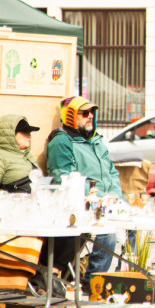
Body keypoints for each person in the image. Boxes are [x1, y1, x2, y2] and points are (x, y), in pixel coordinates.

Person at [46, 96, 119, 281]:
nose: (90, 117)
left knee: (135, 227)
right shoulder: (62, 142)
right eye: (84, 113)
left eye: (92, 113)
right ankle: (93, 281)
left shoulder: (97, 141)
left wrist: (116, 197)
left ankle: (126, 277)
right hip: (81, 205)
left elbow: (112, 172)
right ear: (70, 116)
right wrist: (97, 199)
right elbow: (65, 177)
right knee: (107, 231)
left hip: (106, 202)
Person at [0, 115, 44, 291]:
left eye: (29, 133)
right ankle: (32, 278)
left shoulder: (29, 157)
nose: (29, 136)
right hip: (12, 212)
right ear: (10, 135)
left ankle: (48, 272)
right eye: (24, 133)